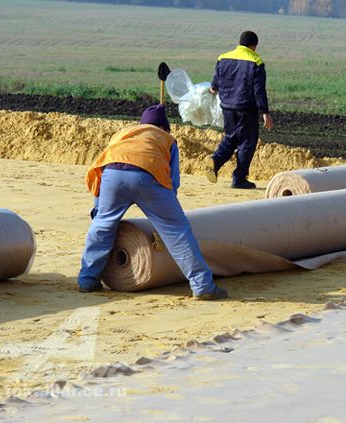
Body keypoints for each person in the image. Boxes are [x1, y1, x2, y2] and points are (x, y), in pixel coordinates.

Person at [77, 104, 228, 300]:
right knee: (177, 230)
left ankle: (87, 280)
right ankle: (203, 286)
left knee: (102, 225)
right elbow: (172, 183)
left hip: (112, 176)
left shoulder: (124, 134)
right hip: (148, 175)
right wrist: (166, 216)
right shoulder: (167, 139)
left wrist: (98, 210)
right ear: (164, 127)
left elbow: (102, 168)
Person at [205, 30, 274, 189]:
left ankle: (215, 161)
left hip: (227, 107)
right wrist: (265, 112)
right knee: (247, 142)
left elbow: (216, 83)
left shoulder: (223, 57)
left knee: (231, 137)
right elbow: (259, 90)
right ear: (254, 46)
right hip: (246, 109)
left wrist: (214, 88)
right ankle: (239, 178)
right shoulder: (256, 61)